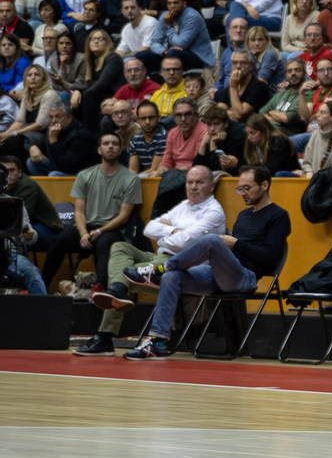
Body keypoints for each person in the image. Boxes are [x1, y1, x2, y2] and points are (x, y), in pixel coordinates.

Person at [122, 166, 291, 360]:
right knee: (171, 277)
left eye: (247, 188)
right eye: (240, 189)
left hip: (245, 277)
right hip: (218, 272)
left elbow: (270, 259)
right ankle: (157, 341)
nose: (243, 193)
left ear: (264, 185)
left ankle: (160, 268)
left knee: (210, 240)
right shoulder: (244, 215)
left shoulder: (278, 216)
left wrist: (236, 243)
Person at [78, 164, 226, 355]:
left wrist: (165, 235)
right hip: (160, 256)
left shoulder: (213, 212)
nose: (193, 187)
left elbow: (184, 243)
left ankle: (105, 336)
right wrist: (174, 230)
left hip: (184, 266)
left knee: (121, 274)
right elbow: (149, 229)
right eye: (190, 182)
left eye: (200, 182)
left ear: (211, 186)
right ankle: (119, 290)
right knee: (120, 247)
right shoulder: (183, 206)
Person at [39, 132, 140, 296]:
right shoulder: (84, 176)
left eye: (114, 144)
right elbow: (79, 212)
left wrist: (100, 231)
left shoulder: (131, 178)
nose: (110, 147)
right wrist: (83, 233)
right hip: (87, 227)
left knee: (104, 244)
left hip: (114, 229)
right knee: (59, 241)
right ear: (99, 150)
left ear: (120, 150)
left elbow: (124, 216)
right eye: (106, 143)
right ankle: (41, 287)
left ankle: (100, 289)